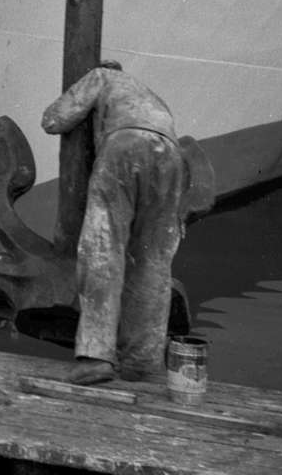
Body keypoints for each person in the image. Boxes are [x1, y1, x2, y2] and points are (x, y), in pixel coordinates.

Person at [41, 61, 187, 385]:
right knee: (153, 262)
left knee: (101, 250)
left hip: (124, 149)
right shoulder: (151, 96)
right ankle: (143, 363)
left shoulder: (102, 76)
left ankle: (95, 356)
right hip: (172, 157)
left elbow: (55, 120)